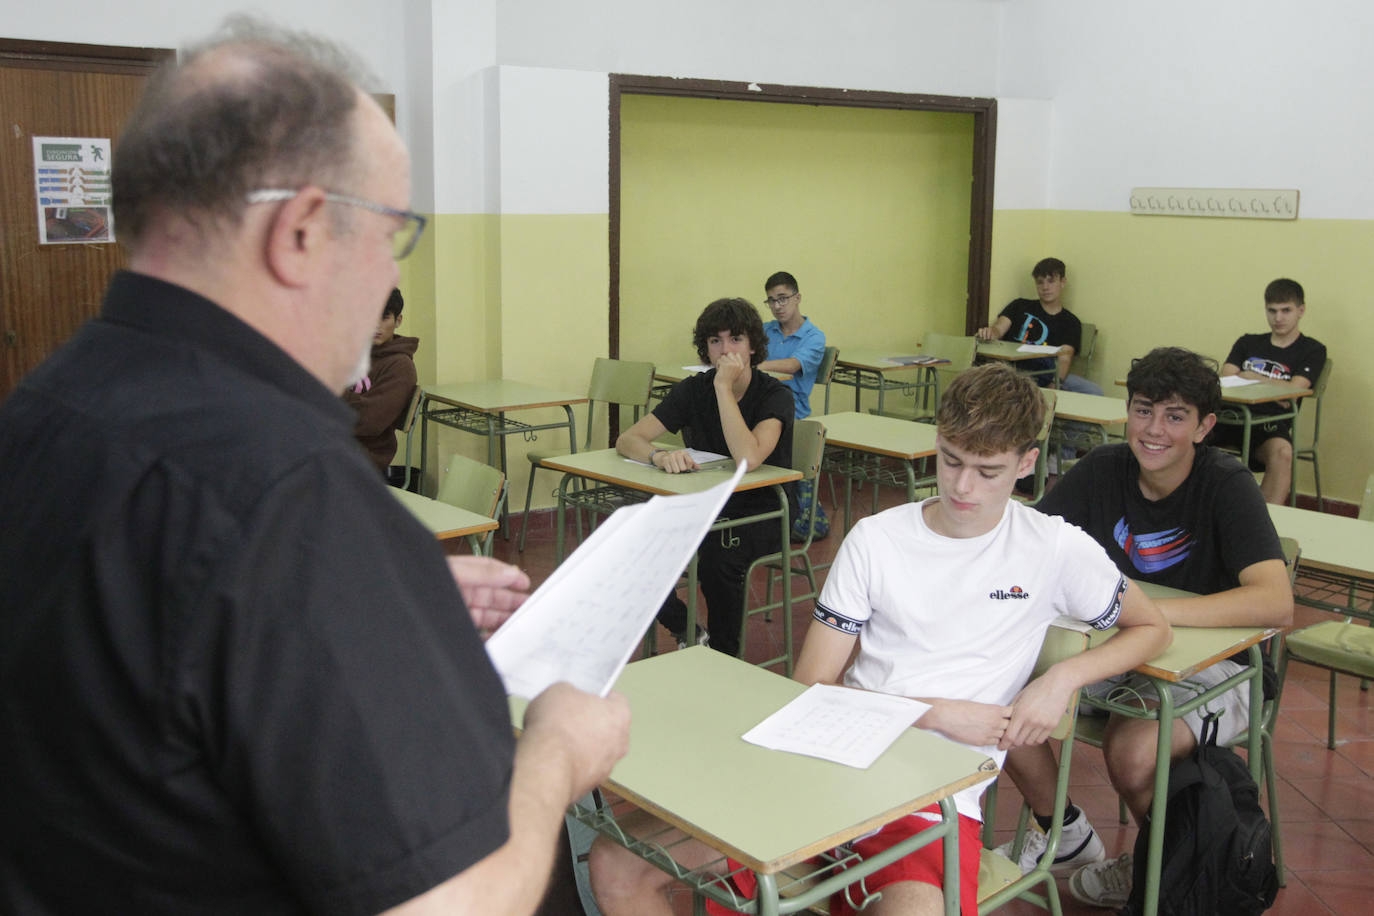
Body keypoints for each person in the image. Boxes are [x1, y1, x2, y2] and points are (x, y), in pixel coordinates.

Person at [0, 18, 629, 916]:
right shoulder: (284, 483)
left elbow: (157, 645)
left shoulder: (47, 405)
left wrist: (363, 600)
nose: (386, 278)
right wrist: (557, 752)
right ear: (298, 230)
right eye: (391, 233)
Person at [591, 364, 1170, 916]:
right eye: (950, 460)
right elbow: (811, 688)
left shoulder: (1053, 548)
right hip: (828, 759)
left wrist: (1062, 677)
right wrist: (939, 713)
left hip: (931, 797)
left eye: (987, 471)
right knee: (618, 865)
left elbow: (1152, 627)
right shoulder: (876, 539)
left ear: (1026, 463)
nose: (963, 486)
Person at [997, 347, 1293, 909]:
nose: (1154, 430)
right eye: (1143, 410)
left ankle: (1163, 872)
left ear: (1205, 426)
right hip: (1121, 655)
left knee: (1134, 751)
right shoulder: (1105, 469)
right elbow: (1027, 542)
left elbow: (1276, 603)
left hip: (1225, 669)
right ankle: (1064, 831)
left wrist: (1146, 611)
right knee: (991, 689)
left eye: (1175, 416)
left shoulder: (1226, 483)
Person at [615, 297, 795, 658]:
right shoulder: (693, 390)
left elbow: (749, 457)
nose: (725, 351)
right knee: (628, 544)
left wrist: (724, 389)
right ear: (706, 349)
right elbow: (627, 439)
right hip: (703, 505)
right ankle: (689, 632)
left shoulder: (775, 395)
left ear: (754, 346)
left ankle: (723, 657)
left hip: (761, 512)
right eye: (715, 341)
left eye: (736, 340)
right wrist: (659, 455)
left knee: (717, 555)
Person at [1215, 277, 1327, 504]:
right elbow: (1227, 375)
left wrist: (1252, 377)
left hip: (1270, 422)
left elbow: (1295, 390)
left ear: (1301, 311)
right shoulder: (1248, 342)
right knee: (1183, 435)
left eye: (1286, 310)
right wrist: (1274, 387)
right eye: (1272, 311)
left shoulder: (1312, 349)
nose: (1278, 318)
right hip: (1229, 414)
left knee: (1283, 453)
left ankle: (1264, 525)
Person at [756, 270, 829, 541]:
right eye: (771, 301)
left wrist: (757, 365)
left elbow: (793, 365)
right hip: (761, 405)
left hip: (792, 411)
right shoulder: (764, 331)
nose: (777, 306)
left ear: (797, 298)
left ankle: (781, 515)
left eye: (783, 299)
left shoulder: (814, 336)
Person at [976, 257, 1101, 395]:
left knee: (1094, 391)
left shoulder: (1071, 322)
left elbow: (1064, 359)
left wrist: (1054, 385)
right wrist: (989, 333)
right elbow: (998, 329)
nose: (1045, 287)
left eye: (1051, 281)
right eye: (1040, 282)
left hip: (1046, 374)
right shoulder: (1019, 305)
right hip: (1011, 371)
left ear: (1063, 282)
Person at [343, 287, 419, 475]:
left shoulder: (400, 366)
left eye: (384, 317)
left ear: (398, 321)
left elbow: (368, 421)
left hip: (363, 457)